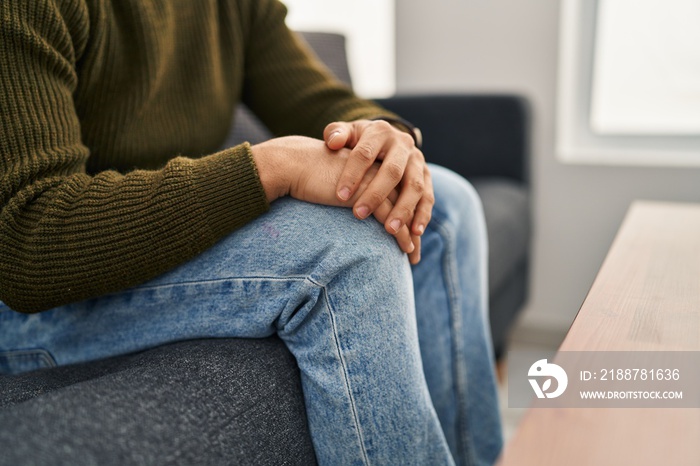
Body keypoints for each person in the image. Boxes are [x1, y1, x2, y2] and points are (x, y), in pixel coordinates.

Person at [0, 0, 502, 464]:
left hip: (150, 251)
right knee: (348, 252)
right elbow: (30, 238)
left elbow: (313, 99)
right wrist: (271, 167)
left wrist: (383, 139)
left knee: (446, 205)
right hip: (43, 297)